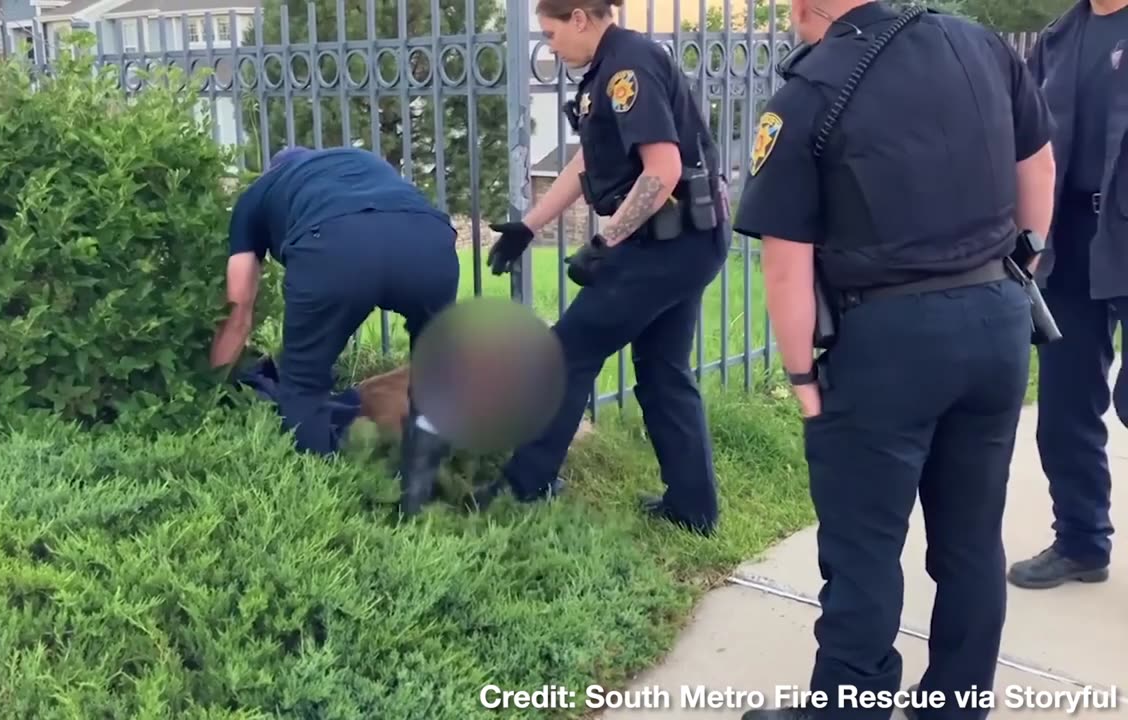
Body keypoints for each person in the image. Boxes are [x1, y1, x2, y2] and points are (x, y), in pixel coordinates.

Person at [729, 1, 1056, 718]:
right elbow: (1037, 161)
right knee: (971, 538)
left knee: (863, 548)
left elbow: (785, 266)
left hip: (886, 340)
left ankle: (852, 705)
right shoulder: (980, 43)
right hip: (997, 318)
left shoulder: (808, 91)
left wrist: (800, 376)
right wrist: (1025, 258)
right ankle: (958, 702)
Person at [479, 0, 731, 535]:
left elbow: (662, 169)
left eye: (550, 33)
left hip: (664, 246)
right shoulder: (609, 66)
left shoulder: (627, 68)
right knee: (664, 372)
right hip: (686, 240)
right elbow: (590, 158)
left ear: (579, 17)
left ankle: (525, 487)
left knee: (567, 352)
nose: (549, 47)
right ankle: (693, 509)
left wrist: (605, 241)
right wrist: (530, 224)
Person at [210, 146, 460, 513]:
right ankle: (422, 496)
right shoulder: (363, 162)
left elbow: (238, 312)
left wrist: (211, 389)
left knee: (303, 385)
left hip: (332, 246)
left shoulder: (258, 194)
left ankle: (326, 504)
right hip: (429, 241)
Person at [1007, 0, 1128, 591]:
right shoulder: (1059, 37)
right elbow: (1023, 136)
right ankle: (1081, 541)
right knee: (1064, 404)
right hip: (1072, 239)